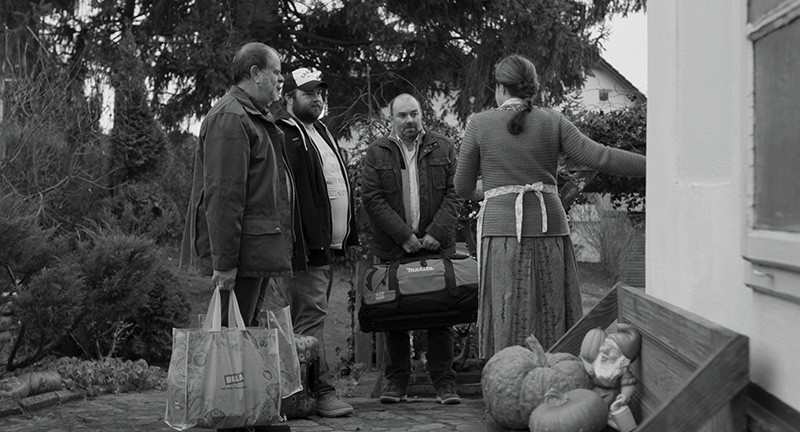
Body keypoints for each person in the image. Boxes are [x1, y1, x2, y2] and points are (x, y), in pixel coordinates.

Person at [453, 54, 646, 358]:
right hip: (550, 229)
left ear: (500, 88)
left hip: (501, 232)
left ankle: (509, 378)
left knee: (509, 309)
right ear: (532, 87)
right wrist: (655, 166)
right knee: (551, 308)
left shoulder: (479, 124)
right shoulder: (553, 121)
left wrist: (492, 194)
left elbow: (462, 187)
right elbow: (602, 157)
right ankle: (557, 375)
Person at [180, 41, 292, 432]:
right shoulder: (230, 119)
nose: (281, 79)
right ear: (255, 72)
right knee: (229, 334)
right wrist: (224, 264)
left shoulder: (254, 117)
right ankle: (229, 418)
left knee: (245, 333)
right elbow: (223, 198)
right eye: (276, 71)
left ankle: (250, 412)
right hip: (240, 254)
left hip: (256, 248)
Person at [361, 93, 464, 405]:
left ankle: (445, 385)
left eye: (414, 114)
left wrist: (436, 232)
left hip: (436, 245)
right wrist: (404, 235)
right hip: (394, 248)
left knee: (440, 313)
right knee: (394, 314)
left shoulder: (443, 146)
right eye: (402, 116)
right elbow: (372, 198)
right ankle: (396, 384)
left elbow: (456, 191)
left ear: (422, 115)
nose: (409, 121)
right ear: (391, 119)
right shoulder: (377, 152)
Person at [270, 67, 358, 417]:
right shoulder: (282, 133)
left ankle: (297, 395)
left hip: (328, 244)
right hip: (305, 247)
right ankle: (319, 392)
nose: (317, 98)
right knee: (310, 320)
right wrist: (298, 241)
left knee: (309, 319)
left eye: (320, 91)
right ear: (288, 97)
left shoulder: (320, 130)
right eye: (308, 93)